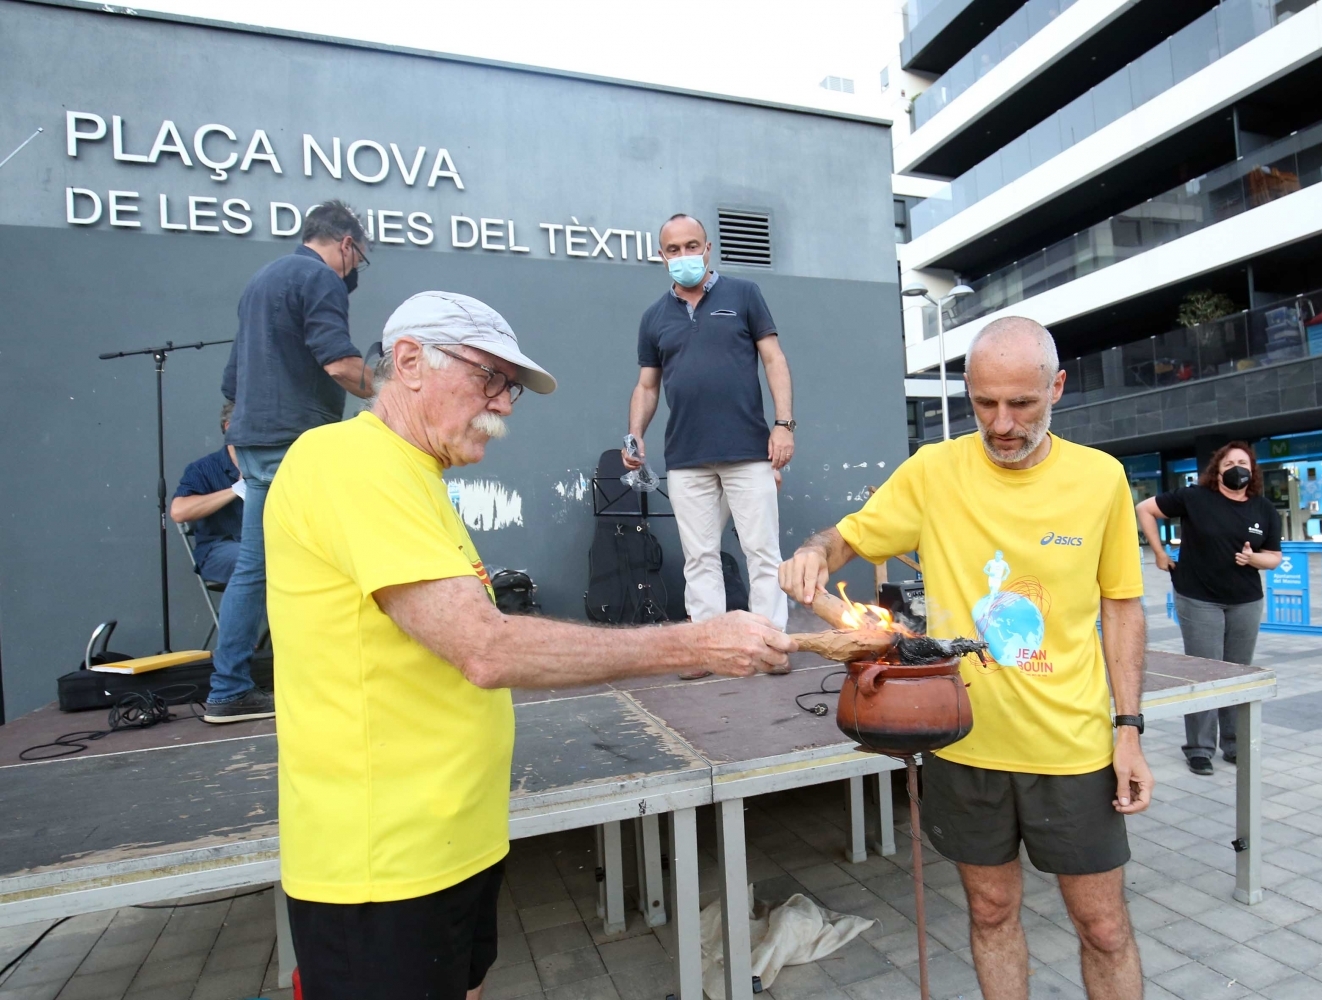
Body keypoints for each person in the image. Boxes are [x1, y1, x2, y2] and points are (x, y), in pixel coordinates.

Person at [267, 290, 794, 1000]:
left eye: (510, 387)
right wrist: (696, 644)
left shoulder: (415, 475)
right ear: (409, 361)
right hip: (381, 866)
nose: (506, 404)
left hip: (450, 846)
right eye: (489, 378)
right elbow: (485, 648)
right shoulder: (349, 461)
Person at [781, 316, 1153, 1000]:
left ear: (1058, 388)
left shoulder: (1101, 479)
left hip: (1072, 747)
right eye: (985, 403)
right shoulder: (934, 472)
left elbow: (1122, 607)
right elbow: (847, 539)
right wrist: (812, 553)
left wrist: (1128, 729)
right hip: (963, 742)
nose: (1002, 423)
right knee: (989, 911)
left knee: (1102, 925)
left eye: (1022, 404)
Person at [207, 200, 378, 723]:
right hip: (295, 442)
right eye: (361, 259)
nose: (356, 272)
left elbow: (231, 382)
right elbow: (341, 362)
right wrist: (397, 395)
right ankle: (327, 680)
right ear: (347, 244)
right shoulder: (319, 278)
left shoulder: (262, 280)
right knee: (328, 561)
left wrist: (241, 433)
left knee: (256, 567)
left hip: (257, 441)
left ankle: (229, 687)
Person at [623, 213, 795, 677]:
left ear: (708, 247)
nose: (683, 256)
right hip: (686, 458)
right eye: (673, 250)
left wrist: (783, 425)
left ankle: (771, 644)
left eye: (691, 246)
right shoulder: (654, 317)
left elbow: (774, 359)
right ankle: (708, 647)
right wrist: (635, 433)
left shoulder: (744, 295)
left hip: (747, 451)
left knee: (762, 552)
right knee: (699, 558)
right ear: (662, 256)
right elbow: (647, 386)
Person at [1136, 443, 1281, 777]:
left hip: (1245, 600)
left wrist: (1253, 559)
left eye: (1242, 462)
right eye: (1228, 462)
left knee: (1236, 671)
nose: (1236, 467)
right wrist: (1158, 553)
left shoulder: (1263, 509)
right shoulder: (1194, 498)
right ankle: (1200, 748)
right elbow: (1145, 508)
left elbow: (1274, 556)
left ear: (1253, 470)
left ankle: (1234, 744)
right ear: (1217, 471)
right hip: (1198, 596)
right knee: (1203, 671)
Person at [169, 400, 243, 586]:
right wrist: (237, 489)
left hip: (267, 547)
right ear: (229, 427)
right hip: (219, 549)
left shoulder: (271, 466)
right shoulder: (203, 468)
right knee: (258, 560)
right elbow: (179, 512)